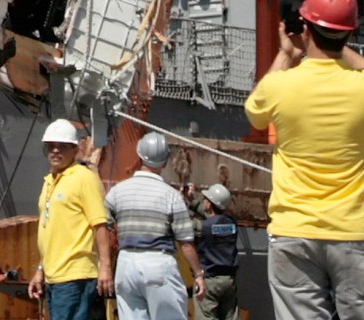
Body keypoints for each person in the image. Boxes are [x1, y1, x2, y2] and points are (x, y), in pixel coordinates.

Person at [245, 0, 364, 320]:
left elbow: (255, 114)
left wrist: (286, 53)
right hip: (356, 231)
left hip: (294, 230)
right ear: (349, 33)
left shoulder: (279, 86)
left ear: (305, 27)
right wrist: (340, 46)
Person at [101, 131, 203, 320]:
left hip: (125, 265)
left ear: (139, 156)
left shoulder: (117, 192)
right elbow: (186, 243)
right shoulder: (171, 196)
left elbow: (101, 227)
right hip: (158, 263)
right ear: (164, 162)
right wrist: (198, 274)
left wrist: (104, 265)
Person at [28, 118, 106, 320]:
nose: (55, 151)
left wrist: (105, 267)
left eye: (62, 146)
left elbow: (100, 224)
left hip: (76, 276)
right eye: (51, 146)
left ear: (74, 149)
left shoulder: (84, 178)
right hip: (54, 277)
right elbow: (52, 233)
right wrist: (40, 270)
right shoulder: (49, 182)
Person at [194, 184, 242, 320]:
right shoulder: (231, 224)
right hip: (229, 281)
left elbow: (184, 227)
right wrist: (191, 201)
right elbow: (213, 221)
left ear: (209, 204)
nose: (203, 201)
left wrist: (180, 200)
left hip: (209, 281)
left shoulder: (202, 227)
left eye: (204, 199)